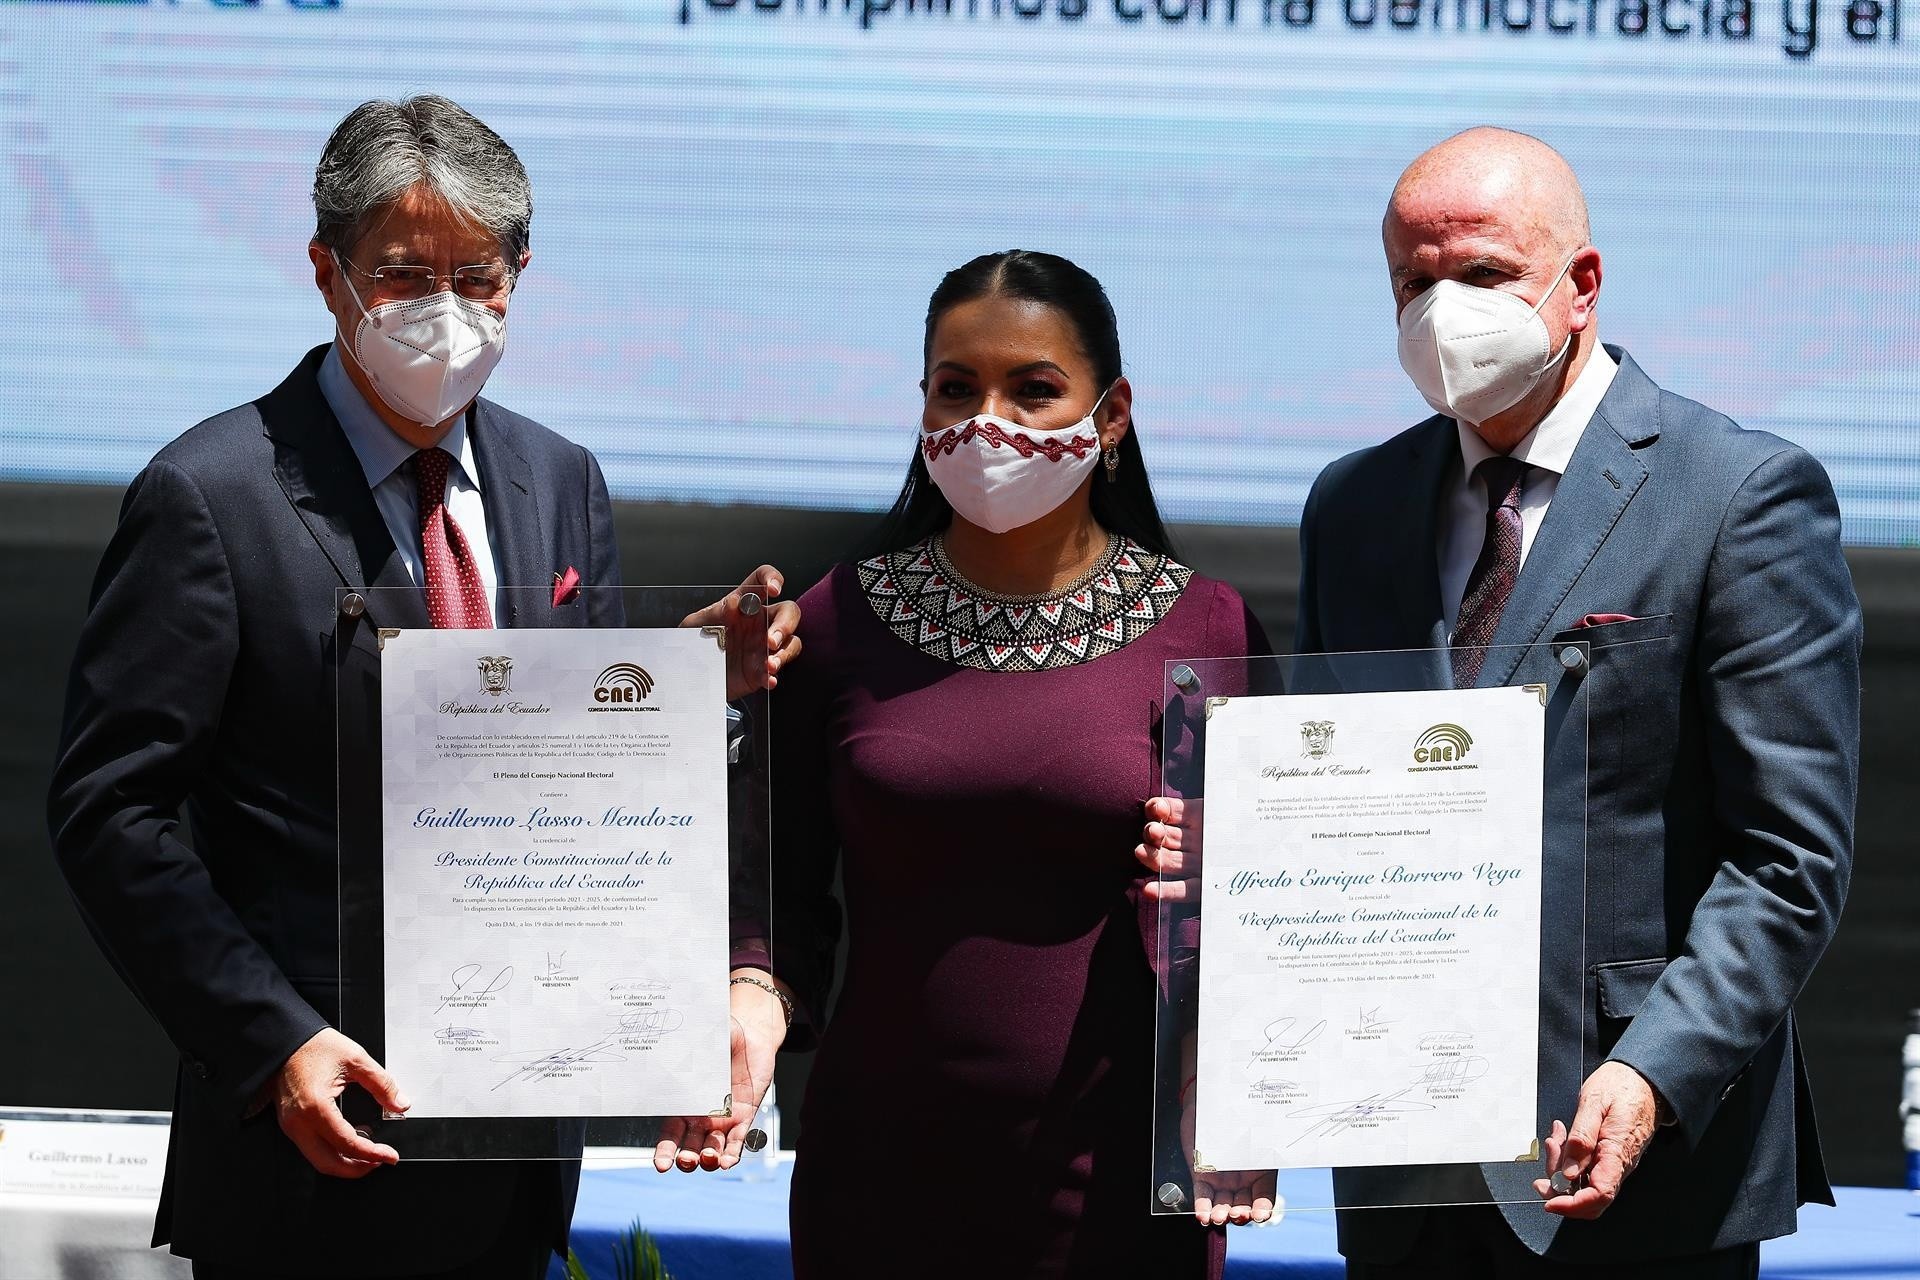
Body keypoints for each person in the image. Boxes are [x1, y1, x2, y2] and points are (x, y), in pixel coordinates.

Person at [46, 95, 797, 1280]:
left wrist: (675, 683)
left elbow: (582, 781)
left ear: (521, 275)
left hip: (515, 1152)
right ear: (326, 273)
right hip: (313, 1135)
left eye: (479, 275)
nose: (444, 308)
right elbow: (112, 812)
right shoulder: (212, 494)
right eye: (402, 272)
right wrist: (269, 1035)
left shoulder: (559, 477)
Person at [1151, 127, 1859, 1275]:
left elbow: (1788, 857)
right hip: (1397, 1140)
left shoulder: (1737, 493)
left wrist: (1654, 1070)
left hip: (1632, 1145)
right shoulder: (1357, 503)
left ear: (1579, 285)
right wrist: (1239, 849)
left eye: (1479, 275)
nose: (1442, 312)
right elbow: (1329, 795)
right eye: (1412, 283)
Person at [735, 250, 1266, 1278]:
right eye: (956, 387)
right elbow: (780, 893)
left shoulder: (1209, 628)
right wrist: (751, 998)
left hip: (1121, 1182)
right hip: (878, 1178)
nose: (990, 421)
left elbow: (1277, 897)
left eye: (1034, 389)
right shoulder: (834, 621)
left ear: (1110, 415)